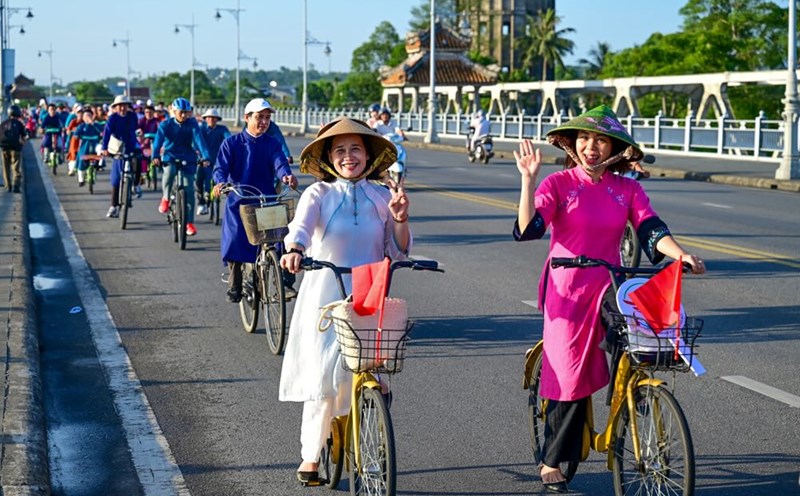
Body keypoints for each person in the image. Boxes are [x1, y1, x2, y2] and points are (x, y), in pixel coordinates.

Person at [512, 104, 705, 493]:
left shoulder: (628, 189)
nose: (591, 147)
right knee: (567, 376)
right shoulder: (559, 184)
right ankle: (551, 458)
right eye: (584, 138)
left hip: (610, 285)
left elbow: (651, 228)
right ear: (573, 145)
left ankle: (633, 406)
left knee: (642, 347)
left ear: (614, 148)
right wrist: (528, 183)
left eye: (600, 139)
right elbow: (529, 229)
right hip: (566, 287)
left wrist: (679, 253)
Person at [277, 116, 411, 484]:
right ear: (329, 158)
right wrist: (294, 249)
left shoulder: (382, 196)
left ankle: (371, 441)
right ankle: (310, 455)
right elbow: (301, 228)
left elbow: (396, 251)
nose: (349, 156)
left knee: (375, 373)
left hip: (369, 293)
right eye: (340, 151)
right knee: (324, 376)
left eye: (356, 149)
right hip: (325, 291)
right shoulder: (319, 194)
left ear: (368, 157)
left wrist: (400, 219)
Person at [212, 98, 297, 303]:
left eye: (267, 118)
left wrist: (286, 175)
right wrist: (221, 182)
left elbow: (280, 162)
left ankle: (284, 283)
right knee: (235, 238)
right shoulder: (232, 143)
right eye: (259, 117)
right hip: (240, 199)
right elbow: (220, 168)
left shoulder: (272, 143)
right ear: (247, 118)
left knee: (281, 240)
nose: (264, 122)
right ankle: (235, 282)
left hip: (267, 198)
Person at [151, 97, 211, 237]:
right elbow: (158, 141)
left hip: (187, 157)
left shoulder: (192, 123)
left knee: (189, 189)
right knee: (169, 172)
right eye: (181, 112)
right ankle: (166, 198)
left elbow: (199, 140)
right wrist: (155, 156)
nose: (184, 115)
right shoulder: (165, 125)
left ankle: (189, 222)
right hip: (170, 155)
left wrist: (206, 156)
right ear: (174, 110)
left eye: (186, 112)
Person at [101, 95, 141, 218]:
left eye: (124, 105)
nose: (122, 108)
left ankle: (136, 184)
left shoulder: (132, 116)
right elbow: (107, 133)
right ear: (116, 107)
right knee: (116, 178)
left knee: (138, 160)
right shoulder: (112, 118)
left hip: (131, 144)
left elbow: (133, 129)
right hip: (117, 147)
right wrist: (104, 148)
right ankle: (114, 206)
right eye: (119, 106)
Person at [197, 108, 230, 215]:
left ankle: (212, 194)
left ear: (217, 119)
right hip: (203, 160)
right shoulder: (201, 129)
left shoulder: (222, 129)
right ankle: (201, 201)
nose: (211, 119)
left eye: (214, 117)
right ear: (205, 119)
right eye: (209, 117)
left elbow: (229, 139)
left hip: (218, 160)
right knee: (198, 180)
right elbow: (196, 142)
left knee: (218, 179)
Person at [72, 107, 104, 187]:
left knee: (100, 148)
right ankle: (81, 179)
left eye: (89, 115)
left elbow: (102, 131)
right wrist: (76, 135)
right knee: (81, 161)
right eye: (86, 116)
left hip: (95, 144)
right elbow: (76, 134)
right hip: (84, 146)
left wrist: (93, 123)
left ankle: (99, 164)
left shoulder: (96, 125)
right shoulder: (82, 126)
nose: (88, 118)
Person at [0, 105, 27, 192]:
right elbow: (24, 136)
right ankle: (16, 185)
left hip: (4, 148)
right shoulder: (19, 124)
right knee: (15, 168)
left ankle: (8, 185)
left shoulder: (3, 123)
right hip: (15, 148)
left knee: (6, 167)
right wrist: (22, 143)